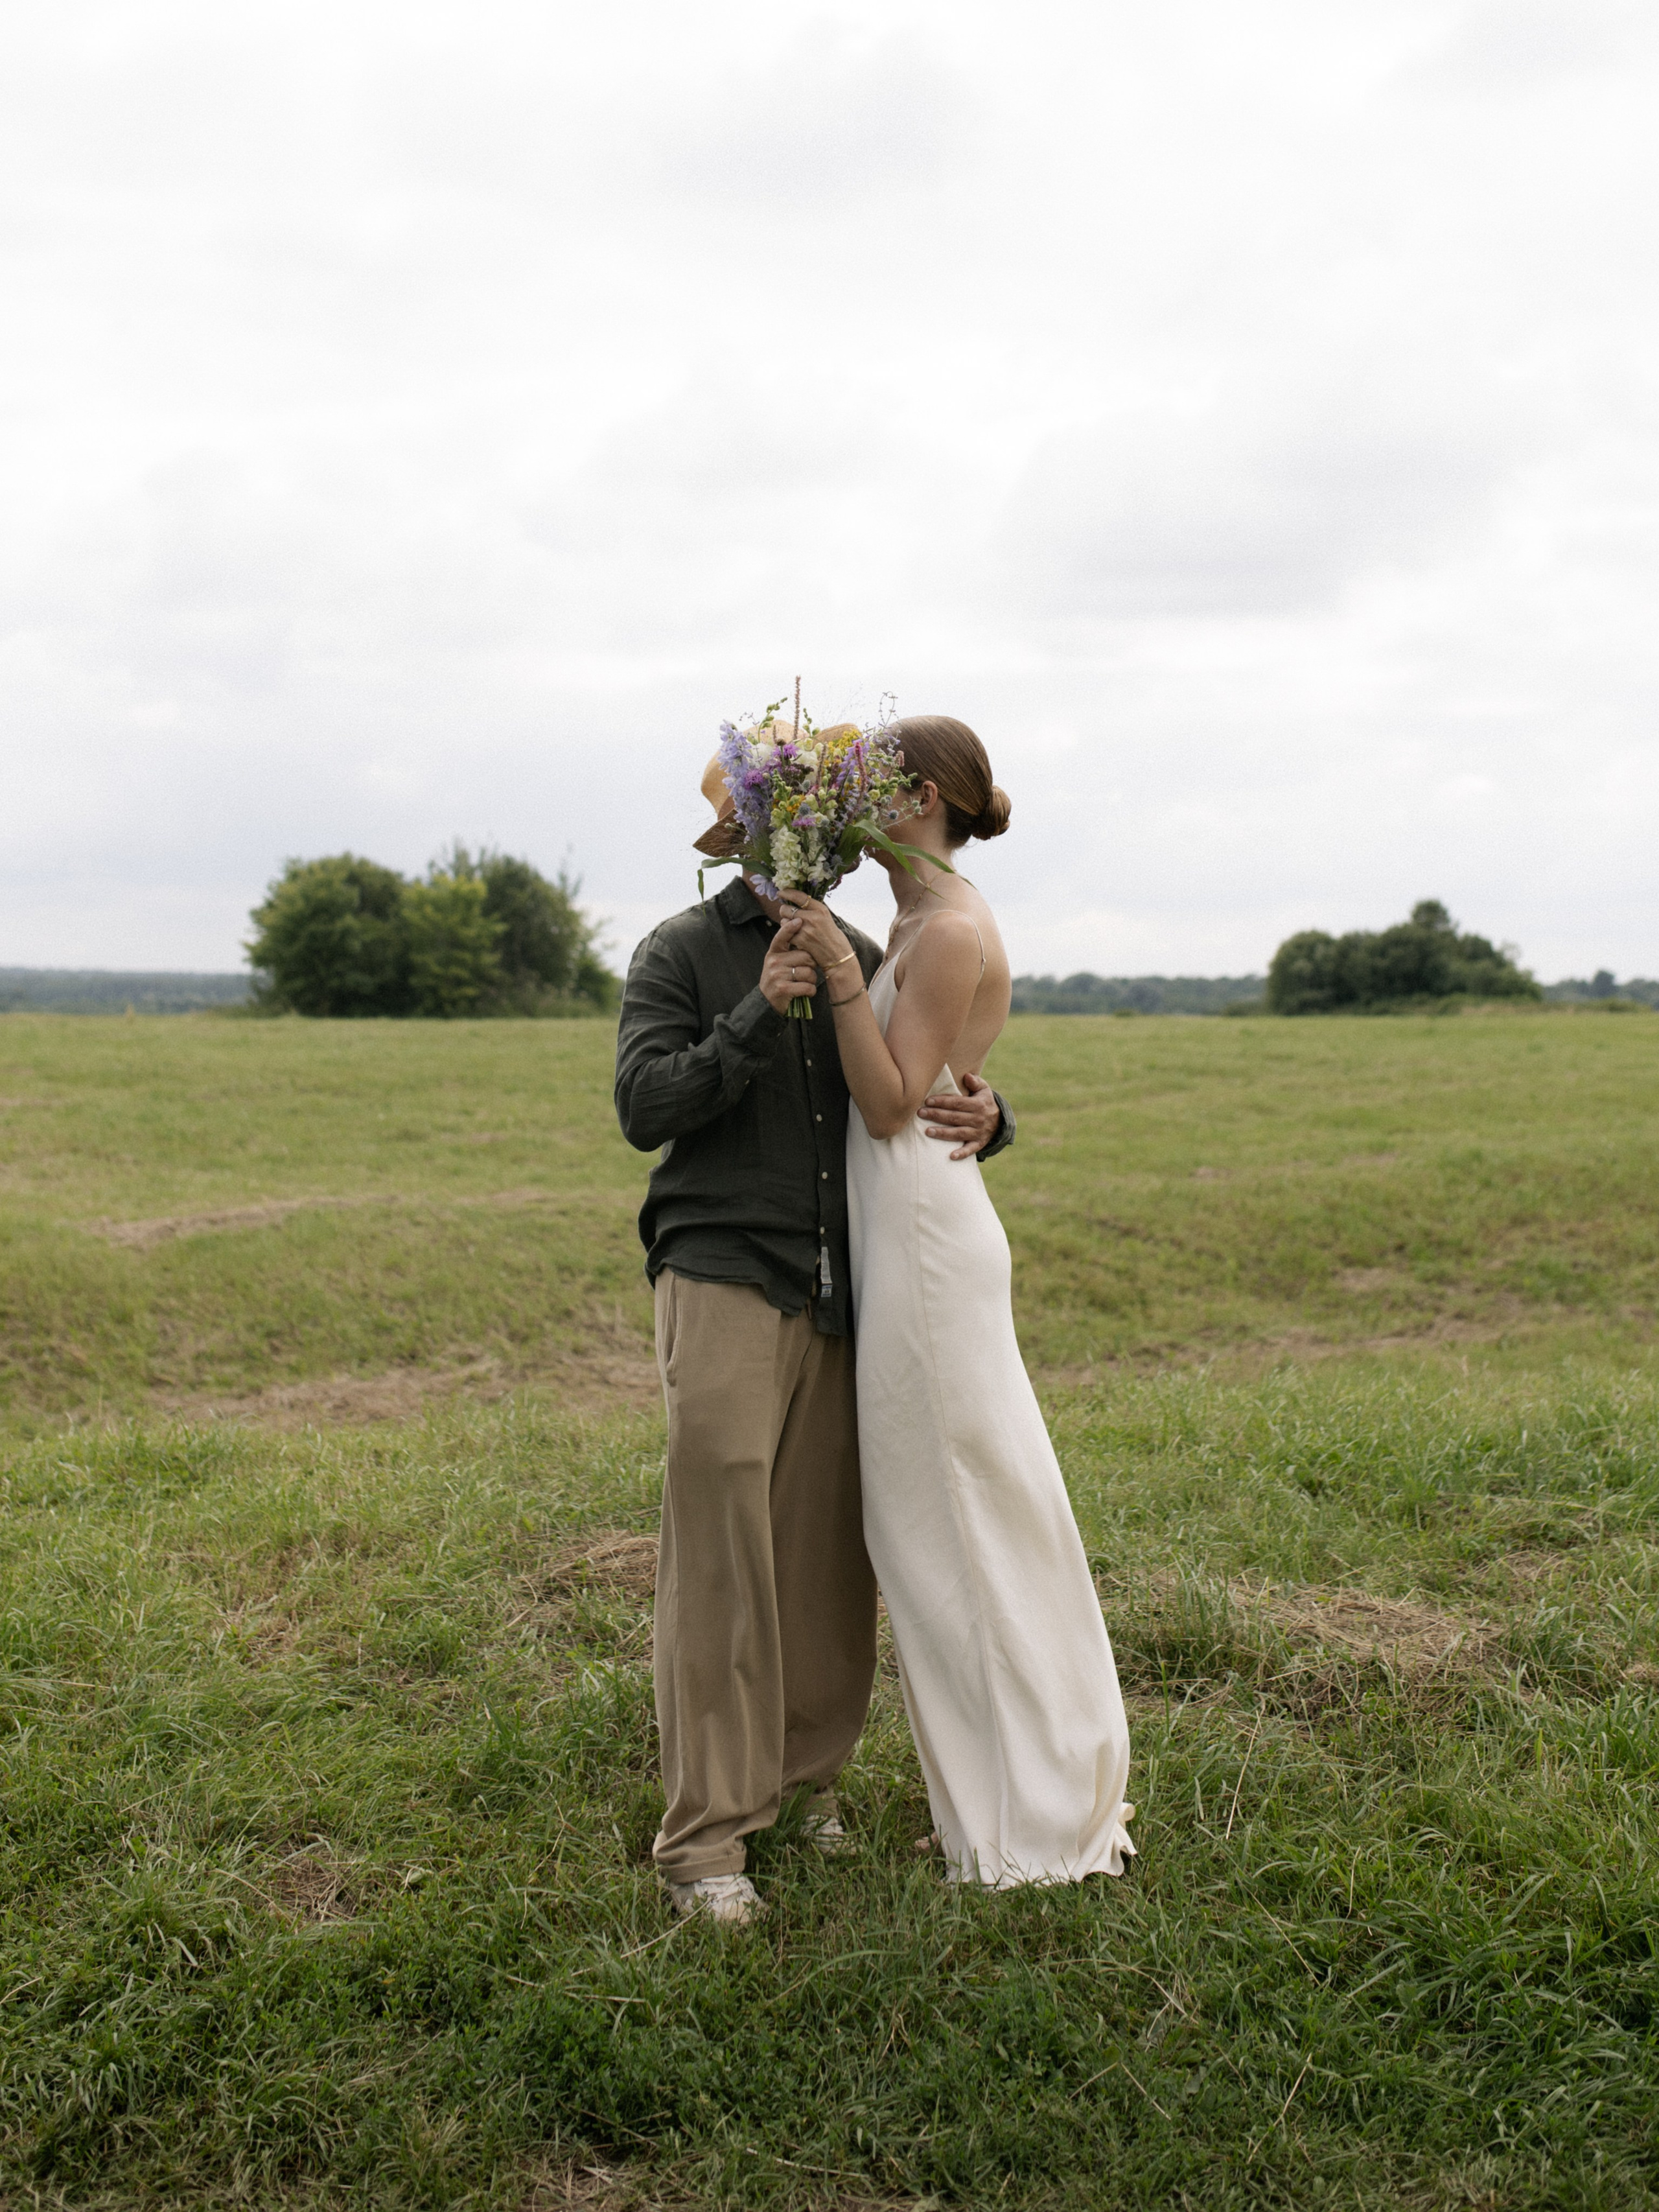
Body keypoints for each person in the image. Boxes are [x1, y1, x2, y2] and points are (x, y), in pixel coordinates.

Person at [612, 739, 1016, 1925]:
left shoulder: (876, 951)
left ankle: (806, 1780)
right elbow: (644, 1108)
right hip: (725, 1267)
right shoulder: (680, 951)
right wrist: (755, 1012)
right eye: (774, 825)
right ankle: (706, 1843)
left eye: (814, 829)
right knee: (721, 1557)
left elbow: (912, 1086)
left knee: (832, 1560)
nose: (799, 849)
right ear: (738, 836)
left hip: (853, 1291)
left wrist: (993, 1118)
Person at [780, 716, 1135, 1887]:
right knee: (941, 1520)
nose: (843, 801)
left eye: (866, 783)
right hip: (915, 1231)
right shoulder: (921, 919)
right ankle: (1004, 1784)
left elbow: (888, 1105)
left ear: (921, 794)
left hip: (929, 1247)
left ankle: (1030, 1814)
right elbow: (935, 1082)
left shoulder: (941, 930)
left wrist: (837, 970)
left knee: (958, 1523)